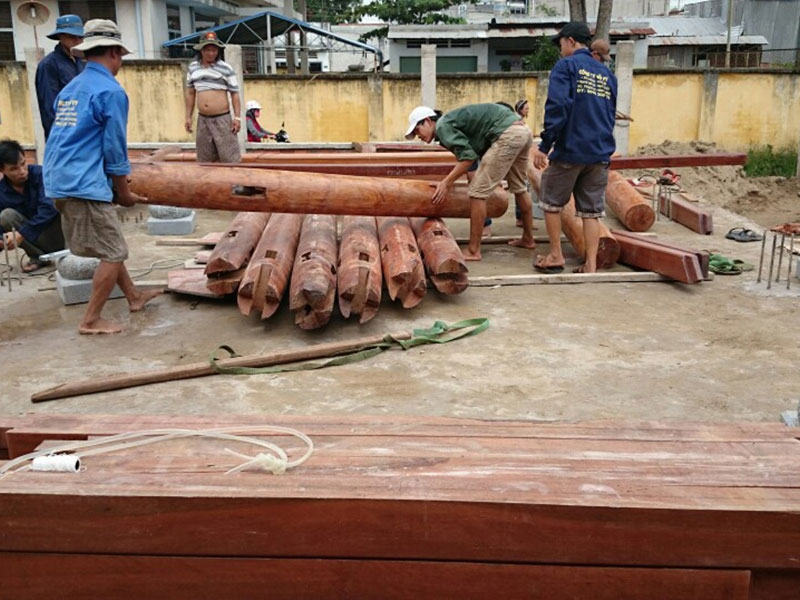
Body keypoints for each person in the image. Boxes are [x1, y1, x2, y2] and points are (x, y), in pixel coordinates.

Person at [44, 19, 162, 335]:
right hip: (81, 183)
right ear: (114, 52)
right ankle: (91, 320)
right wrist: (124, 193)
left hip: (59, 177)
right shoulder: (111, 91)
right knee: (113, 251)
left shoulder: (71, 88)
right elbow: (114, 149)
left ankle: (133, 296)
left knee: (109, 245)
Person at [532, 22, 617, 274]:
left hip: (571, 149)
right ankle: (590, 263)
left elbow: (558, 106)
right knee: (591, 212)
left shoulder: (566, 66)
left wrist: (545, 145)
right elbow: (610, 114)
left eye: (560, 43)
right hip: (599, 152)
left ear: (570, 41)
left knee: (551, 202)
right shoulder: (608, 75)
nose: (560, 49)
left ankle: (555, 256)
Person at [405, 103, 536, 261]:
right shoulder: (450, 122)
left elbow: (468, 158)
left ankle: (473, 250)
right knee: (520, 188)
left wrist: (446, 183)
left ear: (427, 121)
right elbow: (471, 156)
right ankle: (528, 239)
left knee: (477, 193)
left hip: (507, 135)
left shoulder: (442, 126)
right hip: (522, 131)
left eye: (417, 130)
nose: (418, 136)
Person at [0, 139, 65, 272]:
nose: (22, 171)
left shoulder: (41, 174)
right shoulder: (1, 191)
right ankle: (38, 257)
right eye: (14, 169)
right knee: (6, 216)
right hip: (36, 239)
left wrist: (22, 233)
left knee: (58, 204)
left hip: (60, 235)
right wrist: (2, 240)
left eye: (23, 164)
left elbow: (49, 209)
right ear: (2, 170)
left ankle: (69, 253)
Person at [184, 31, 242, 163]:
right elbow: (190, 93)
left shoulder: (225, 68)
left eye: (214, 50)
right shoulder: (193, 68)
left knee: (229, 157)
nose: (211, 53)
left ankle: (233, 177)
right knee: (204, 158)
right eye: (207, 50)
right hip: (203, 119)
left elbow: (234, 93)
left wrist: (237, 118)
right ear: (201, 50)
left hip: (222, 119)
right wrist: (188, 117)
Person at [35, 14, 85, 139]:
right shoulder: (49, 64)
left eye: (80, 36)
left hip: (83, 132)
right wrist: (59, 138)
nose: (77, 40)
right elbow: (49, 107)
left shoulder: (83, 62)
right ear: (60, 37)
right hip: (63, 136)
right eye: (71, 36)